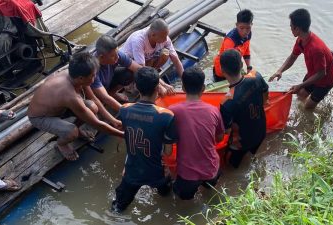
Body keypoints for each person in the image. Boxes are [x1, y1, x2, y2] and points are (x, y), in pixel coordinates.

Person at [28, 52, 124, 161]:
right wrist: (122, 134)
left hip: (60, 108)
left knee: (92, 107)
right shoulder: (70, 95)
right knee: (71, 132)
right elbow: (96, 123)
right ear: (81, 78)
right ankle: (61, 144)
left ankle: (76, 130)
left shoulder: (77, 78)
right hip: (41, 117)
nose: (95, 77)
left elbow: (93, 99)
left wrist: (113, 121)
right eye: (93, 75)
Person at [112, 67, 178, 212]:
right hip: (156, 172)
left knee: (118, 207)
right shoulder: (167, 116)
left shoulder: (124, 109)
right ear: (157, 87)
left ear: (136, 86)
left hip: (132, 170)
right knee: (167, 194)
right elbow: (167, 153)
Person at [169, 66, 224, 200]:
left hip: (187, 175)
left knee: (181, 200)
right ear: (203, 88)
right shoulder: (213, 110)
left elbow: (168, 140)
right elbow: (220, 138)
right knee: (210, 193)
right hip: (212, 171)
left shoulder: (172, 111)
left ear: (182, 88)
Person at [268, 8, 333, 109]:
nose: (290, 29)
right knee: (300, 95)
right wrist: (280, 71)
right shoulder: (300, 40)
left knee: (308, 107)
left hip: (325, 81)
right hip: (312, 74)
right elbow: (292, 57)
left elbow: (322, 73)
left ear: (297, 29)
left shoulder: (316, 48)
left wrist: (300, 85)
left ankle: (317, 113)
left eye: (291, 26)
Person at [219, 49, 269, 168]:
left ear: (222, 71)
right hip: (261, 130)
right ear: (241, 65)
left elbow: (226, 130)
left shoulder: (227, 102)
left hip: (241, 142)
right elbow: (265, 95)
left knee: (230, 165)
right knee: (252, 154)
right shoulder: (255, 76)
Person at [121, 18, 183, 96]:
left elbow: (176, 60)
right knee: (132, 74)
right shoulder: (138, 40)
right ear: (153, 35)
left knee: (165, 54)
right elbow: (142, 70)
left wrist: (184, 81)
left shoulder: (165, 38)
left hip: (146, 62)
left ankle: (152, 78)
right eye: (163, 37)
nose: (166, 39)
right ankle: (135, 84)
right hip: (131, 66)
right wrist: (161, 85)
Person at [91, 35, 141, 111]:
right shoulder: (92, 70)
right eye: (113, 56)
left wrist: (159, 83)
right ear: (101, 57)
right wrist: (128, 112)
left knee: (129, 73)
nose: (117, 57)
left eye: (117, 53)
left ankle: (112, 93)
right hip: (97, 92)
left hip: (108, 81)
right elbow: (105, 97)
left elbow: (138, 68)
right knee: (97, 104)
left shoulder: (116, 55)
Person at [213, 9, 254, 81]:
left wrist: (249, 67)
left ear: (251, 25)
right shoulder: (230, 40)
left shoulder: (248, 34)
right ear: (237, 25)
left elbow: (246, 51)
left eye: (248, 28)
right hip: (222, 71)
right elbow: (228, 62)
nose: (245, 32)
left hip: (235, 67)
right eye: (241, 28)